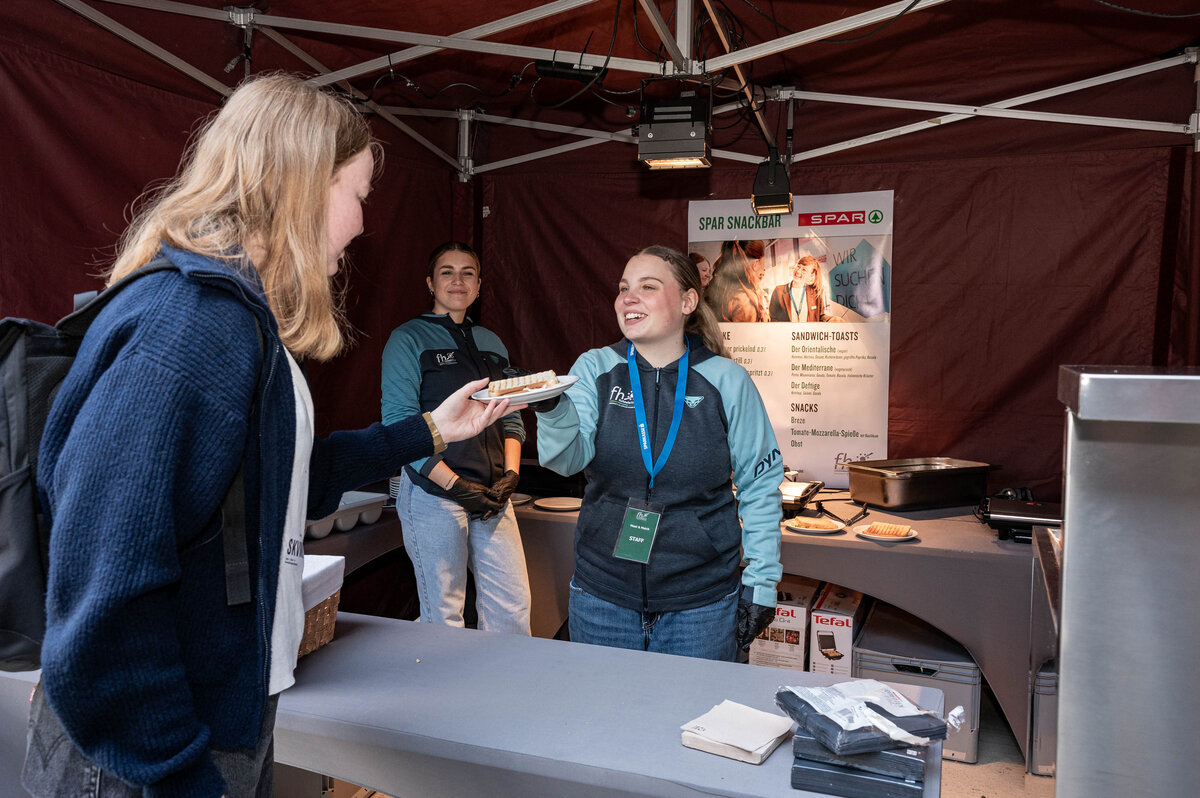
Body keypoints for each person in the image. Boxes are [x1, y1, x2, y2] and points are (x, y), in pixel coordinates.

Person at [22, 73, 517, 798]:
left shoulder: (240, 324)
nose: (358, 224)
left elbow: (278, 481)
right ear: (305, 184)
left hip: (211, 726)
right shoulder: (192, 325)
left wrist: (430, 432)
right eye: (357, 195)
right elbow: (109, 587)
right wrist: (180, 774)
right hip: (141, 758)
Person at [534, 245, 782, 661]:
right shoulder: (595, 368)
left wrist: (762, 582)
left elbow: (760, 485)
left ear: (688, 301)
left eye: (648, 287)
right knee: (602, 720)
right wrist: (551, 407)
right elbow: (565, 461)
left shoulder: (726, 380)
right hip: (602, 596)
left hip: (700, 604)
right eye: (623, 288)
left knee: (692, 722)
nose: (628, 297)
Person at [381, 242, 532, 634]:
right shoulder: (407, 338)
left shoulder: (492, 342)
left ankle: (506, 695)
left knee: (512, 612)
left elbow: (511, 415)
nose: (458, 280)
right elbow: (400, 426)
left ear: (479, 285)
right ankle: (446, 697)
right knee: (444, 620)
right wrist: (455, 485)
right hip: (433, 494)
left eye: (468, 272)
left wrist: (510, 476)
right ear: (430, 283)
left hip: (493, 494)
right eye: (447, 272)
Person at [706, 239, 768, 322]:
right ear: (756, 264)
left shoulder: (722, 288)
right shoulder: (744, 301)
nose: (763, 271)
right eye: (763, 264)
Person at [769, 254, 842, 322]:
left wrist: (831, 319)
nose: (798, 271)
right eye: (798, 266)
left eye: (804, 270)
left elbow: (820, 317)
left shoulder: (815, 292)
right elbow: (773, 319)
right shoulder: (779, 291)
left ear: (811, 275)